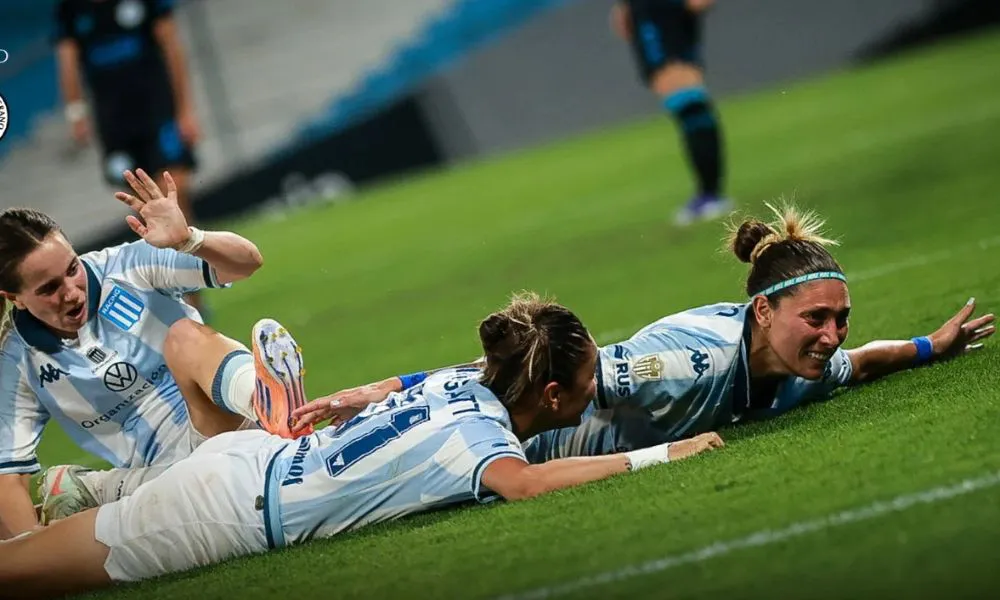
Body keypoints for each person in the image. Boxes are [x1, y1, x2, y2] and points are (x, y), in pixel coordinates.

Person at [0, 294, 724, 598]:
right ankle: (73, 491)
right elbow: (527, 484)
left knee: (36, 558)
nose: (601, 389)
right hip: (230, 511)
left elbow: (399, 385)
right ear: (555, 398)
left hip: (252, 464)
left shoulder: (463, 387)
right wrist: (663, 453)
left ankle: (76, 488)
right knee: (19, 576)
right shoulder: (481, 443)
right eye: (591, 379)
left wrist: (357, 396)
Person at [291, 204, 995, 462]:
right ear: (763, 314)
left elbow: (866, 364)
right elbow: (538, 368)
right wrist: (393, 388)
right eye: (818, 319)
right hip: (503, 441)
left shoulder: (791, 368)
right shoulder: (687, 364)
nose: (834, 335)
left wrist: (933, 346)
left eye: (841, 318)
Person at [0, 168, 275, 539]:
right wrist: (32, 557)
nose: (72, 292)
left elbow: (247, 263)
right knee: (238, 485)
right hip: (167, 481)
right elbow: (7, 477)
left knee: (184, 337)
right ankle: (103, 491)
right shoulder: (16, 360)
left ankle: (270, 403)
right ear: (14, 298)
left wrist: (190, 240)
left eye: (72, 269)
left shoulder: (128, 267)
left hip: (223, 420)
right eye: (50, 288)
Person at [53, 0, 205, 309]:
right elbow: (67, 59)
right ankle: (172, 294)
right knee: (143, 211)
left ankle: (196, 286)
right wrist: (76, 112)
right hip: (115, 126)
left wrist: (185, 110)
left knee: (176, 194)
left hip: (157, 113)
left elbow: (171, 45)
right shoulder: (71, 9)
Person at [610, 0, 730, 225]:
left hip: (658, 13)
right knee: (685, 101)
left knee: (686, 99)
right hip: (650, 13)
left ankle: (711, 195)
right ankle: (709, 195)